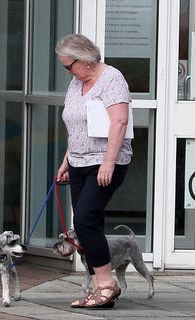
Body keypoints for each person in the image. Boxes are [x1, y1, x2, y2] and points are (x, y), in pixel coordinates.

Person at [55, 34, 132, 309]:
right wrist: (66, 160)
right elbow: (75, 126)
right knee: (88, 224)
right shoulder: (76, 83)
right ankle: (100, 289)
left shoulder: (112, 79)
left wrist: (108, 163)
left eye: (68, 65)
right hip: (77, 162)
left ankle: (107, 283)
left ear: (85, 60)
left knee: (86, 218)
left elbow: (119, 122)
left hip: (105, 162)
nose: (67, 71)